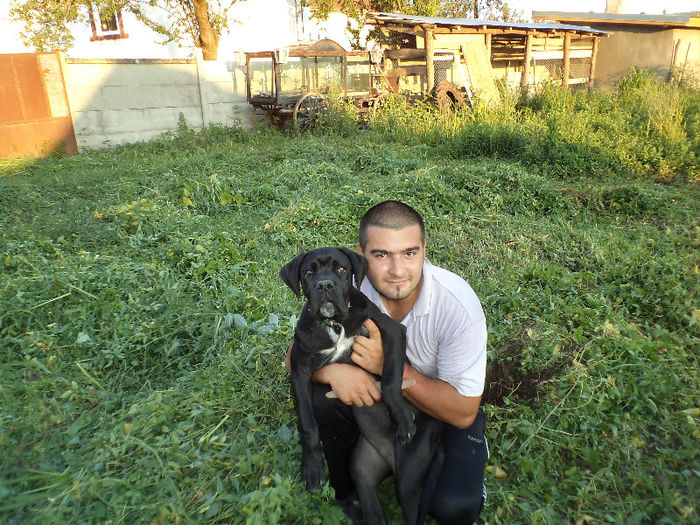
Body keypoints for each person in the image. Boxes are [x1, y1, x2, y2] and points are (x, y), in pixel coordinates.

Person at [294, 200, 489, 524]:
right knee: (323, 400)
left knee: (454, 507)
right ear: (361, 255)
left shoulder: (458, 306)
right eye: (382, 255)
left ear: (425, 249)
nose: (397, 270)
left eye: (409, 253)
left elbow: (464, 411)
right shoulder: (348, 284)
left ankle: (453, 461)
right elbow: (296, 357)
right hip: (376, 400)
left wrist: (385, 368)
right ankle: (350, 493)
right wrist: (332, 371)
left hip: (443, 405)